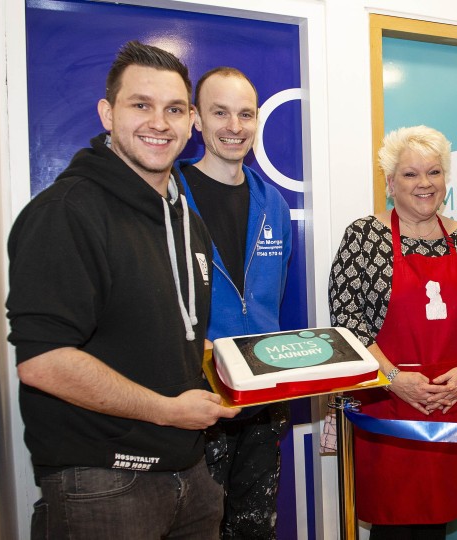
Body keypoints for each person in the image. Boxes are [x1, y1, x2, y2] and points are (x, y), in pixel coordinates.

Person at [7, 40, 239, 539]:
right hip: (104, 484)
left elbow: (167, 334)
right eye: (141, 105)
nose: (160, 122)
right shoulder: (67, 213)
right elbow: (43, 360)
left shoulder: (186, 222)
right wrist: (168, 410)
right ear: (107, 114)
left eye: (174, 109)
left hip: (190, 475)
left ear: (190, 121)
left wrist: (234, 370)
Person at [328, 125, 457, 539]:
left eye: (434, 172)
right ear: (389, 183)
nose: (424, 183)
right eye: (410, 174)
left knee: (438, 520)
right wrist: (395, 380)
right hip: (390, 409)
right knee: (394, 523)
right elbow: (348, 324)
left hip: (454, 403)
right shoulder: (364, 237)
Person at [175, 67, 293, 539]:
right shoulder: (169, 199)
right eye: (219, 112)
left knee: (255, 531)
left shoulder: (274, 204)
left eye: (245, 114)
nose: (234, 126)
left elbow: (273, 294)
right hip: (195, 403)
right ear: (196, 120)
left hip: (262, 400)